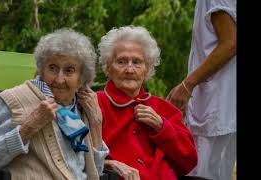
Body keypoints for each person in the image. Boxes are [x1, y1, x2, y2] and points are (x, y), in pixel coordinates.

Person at [0, 28, 109, 180]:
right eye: (53, 68)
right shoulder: (15, 99)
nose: (59, 79)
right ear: (41, 69)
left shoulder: (84, 107)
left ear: (81, 78)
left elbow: (96, 172)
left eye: (69, 70)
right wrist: (30, 126)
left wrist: (96, 123)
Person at [92, 25, 198, 180]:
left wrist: (162, 127)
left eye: (137, 62)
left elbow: (189, 161)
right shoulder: (94, 103)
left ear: (147, 69)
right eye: (121, 62)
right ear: (108, 68)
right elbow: (78, 155)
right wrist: (108, 163)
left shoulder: (164, 109)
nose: (129, 69)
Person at [166, 1, 236, 180]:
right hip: (224, 105)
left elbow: (230, 43)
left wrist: (186, 85)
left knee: (202, 173)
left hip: (215, 105)